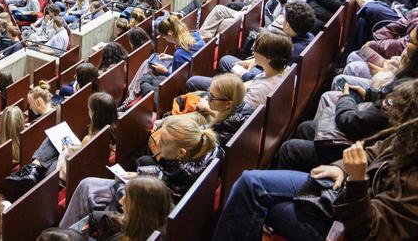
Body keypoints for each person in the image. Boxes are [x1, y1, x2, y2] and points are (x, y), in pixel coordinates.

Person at [212, 79, 418, 241]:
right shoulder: (409, 135)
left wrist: (357, 180)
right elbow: (374, 151)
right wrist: (342, 168)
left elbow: (371, 232)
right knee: (251, 181)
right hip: (346, 190)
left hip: (349, 220)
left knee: (261, 201)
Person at [59, 114, 220, 227]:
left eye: (163, 142)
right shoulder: (197, 153)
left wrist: (127, 183)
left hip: (144, 213)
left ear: (181, 153)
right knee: (87, 184)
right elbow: (166, 176)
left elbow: (133, 201)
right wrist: (139, 175)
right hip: (149, 199)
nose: (157, 142)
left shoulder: (180, 178)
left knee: (88, 188)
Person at [78, 177, 172, 241]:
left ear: (138, 211)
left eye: (126, 198)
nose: (121, 201)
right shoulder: (161, 221)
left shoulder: (122, 238)